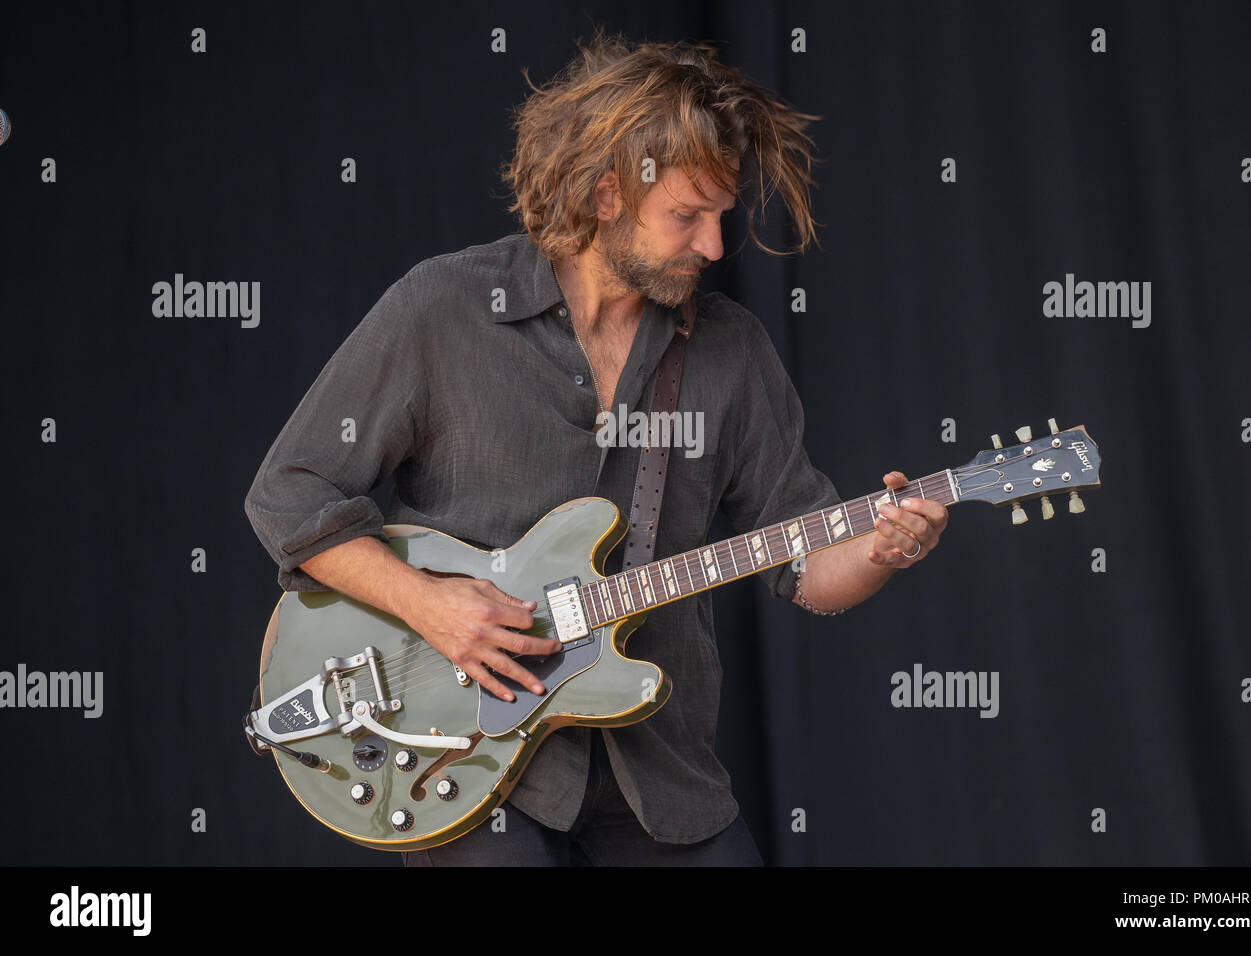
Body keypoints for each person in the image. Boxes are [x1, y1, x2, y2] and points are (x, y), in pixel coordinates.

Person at [244, 31, 948, 866]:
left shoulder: (730, 351)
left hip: (658, 773)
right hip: (459, 757)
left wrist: (880, 548)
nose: (715, 248)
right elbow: (288, 491)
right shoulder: (445, 310)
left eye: (720, 216)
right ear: (607, 195)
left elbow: (806, 565)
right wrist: (428, 605)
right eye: (687, 217)